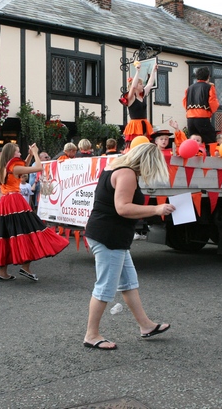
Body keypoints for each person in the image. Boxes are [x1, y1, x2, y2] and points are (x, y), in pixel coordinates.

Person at [82, 143, 176, 350]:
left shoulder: (115, 167)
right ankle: (91, 335)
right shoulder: (127, 174)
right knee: (105, 287)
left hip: (110, 235)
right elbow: (122, 208)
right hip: (110, 236)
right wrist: (157, 208)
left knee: (128, 282)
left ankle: (146, 326)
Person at [0, 143, 70, 281]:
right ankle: (25, 267)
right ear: (12, 154)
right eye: (17, 152)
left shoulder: (4, 167)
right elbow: (38, 167)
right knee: (28, 230)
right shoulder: (15, 167)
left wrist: (29, 154)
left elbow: (23, 167)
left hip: (5, 203)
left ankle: (3, 272)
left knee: (6, 234)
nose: (20, 154)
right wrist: (35, 153)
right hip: (15, 202)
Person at [120, 61, 157, 143]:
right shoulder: (131, 98)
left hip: (144, 123)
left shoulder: (142, 95)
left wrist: (153, 71)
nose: (143, 85)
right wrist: (138, 71)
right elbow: (133, 86)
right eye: (141, 84)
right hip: (135, 125)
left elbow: (150, 83)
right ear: (136, 85)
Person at [183, 66, 219, 146]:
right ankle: (211, 157)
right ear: (208, 77)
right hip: (202, 118)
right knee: (210, 139)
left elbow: (185, 102)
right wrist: (212, 111)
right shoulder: (210, 87)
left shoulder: (189, 88)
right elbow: (213, 103)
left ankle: (193, 157)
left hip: (190, 118)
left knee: (193, 141)